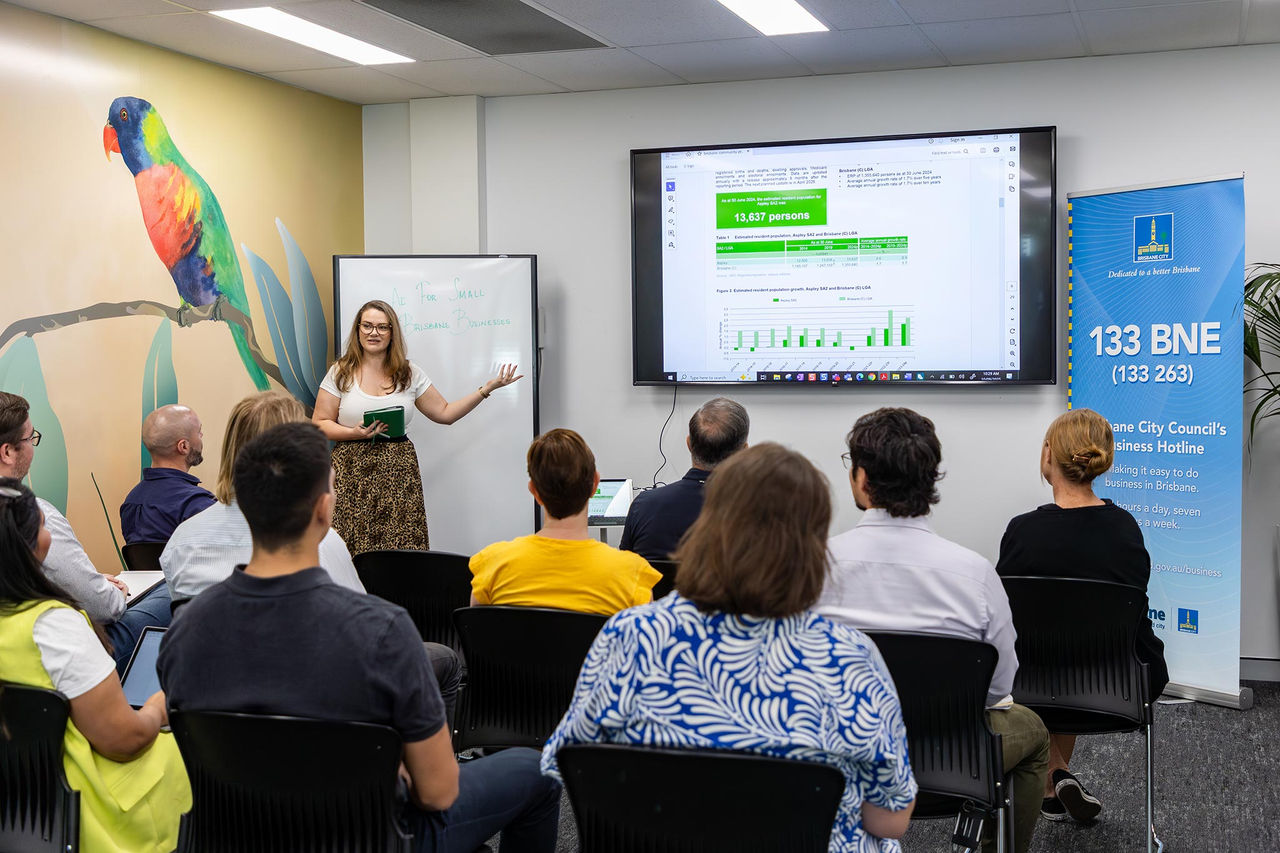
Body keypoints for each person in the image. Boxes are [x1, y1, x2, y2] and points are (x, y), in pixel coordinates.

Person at [158, 423, 560, 852]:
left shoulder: (185, 631)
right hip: (368, 838)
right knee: (535, 771)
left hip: (236, 837)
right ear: (324, 510)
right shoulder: (382, 630)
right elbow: (439, 794)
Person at [543, 442, 916, 851]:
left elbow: (567, 764)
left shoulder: (629, 636)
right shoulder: (848, 658)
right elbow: (890, 819)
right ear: (811, 546)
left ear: (709, 525)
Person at [815, 407, 1048, 853]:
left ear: (861, 480)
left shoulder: (814, 566)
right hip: (953, 759)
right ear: (931, 481)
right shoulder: (975, 575)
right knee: (1034, 733)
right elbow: (999, 688)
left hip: (842, 758)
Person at [160, 389, 461, 720]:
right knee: (442, 660)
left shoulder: (182, 541)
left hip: (223, 730)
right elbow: (360, 636)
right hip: (320, 717)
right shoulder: (322, 541)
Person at [995, 408, 1170, 825]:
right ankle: (1056, 779)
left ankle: (1052, 778)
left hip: (1033, 681)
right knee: (1072, 650)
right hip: (1118, 683)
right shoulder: (1125, 529)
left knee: (1047, 653)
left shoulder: (1022, 531)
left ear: (1048, 454)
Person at [0, 478, 190, 852]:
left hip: (19, 808)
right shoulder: (53, 626)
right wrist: (155, 709)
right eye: (42, 524)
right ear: (32, 545)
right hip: (83, 807)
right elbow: (124, 741)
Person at [312, 300, 522, 555]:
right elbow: (319, 424)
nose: (373, 333)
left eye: (381, 327)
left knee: (400, 553)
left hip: (399, 474)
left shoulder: (409, 373)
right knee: (350, 548)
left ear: (392, 333)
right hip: (351, 472)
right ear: (358, 330)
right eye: (367, 326)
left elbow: (445, 413)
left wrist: (485, 390)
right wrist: (353, 433)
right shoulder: (340, 372)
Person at [0, 391, 171, 671]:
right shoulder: (33, 513)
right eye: (30, 439)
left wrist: (78, 582)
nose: (33, 446)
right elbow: (103, 607)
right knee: (167, 594)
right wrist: (111, 592)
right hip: (47, 661)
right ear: (7, 451)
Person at [470, 428, 661, 615]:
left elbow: (477, 640)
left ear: (534, 491)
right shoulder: (632, 574)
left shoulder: (492, 565)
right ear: (595, 484)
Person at [619, 396, 748, 562]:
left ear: (689, 444)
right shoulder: (762, 511)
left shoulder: (644, 506)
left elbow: (625, 572)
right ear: (744, 451)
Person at [120, 403, 216, 544]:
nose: (201, 435)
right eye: (198, 432)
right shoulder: (197, 504)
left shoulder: (131, 504)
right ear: (183, 446)